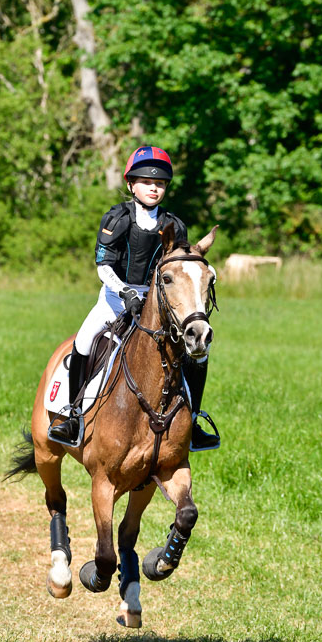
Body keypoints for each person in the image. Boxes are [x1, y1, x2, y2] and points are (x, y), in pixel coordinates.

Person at [48, 145, 220, 452]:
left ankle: (192, 422)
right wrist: (125, 292)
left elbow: (183, 262)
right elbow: (103, 266)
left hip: (159, 302)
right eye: (146, 181)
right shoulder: (117, 219)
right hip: (115, 298)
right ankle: (72, 415)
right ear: (131, 184)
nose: (154, 187)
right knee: (84, 341)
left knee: (198, 353)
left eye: (161, 183)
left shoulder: (175, 224)